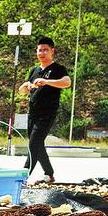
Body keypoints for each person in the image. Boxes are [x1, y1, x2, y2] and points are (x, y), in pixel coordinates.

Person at [18, 37, 71, 183]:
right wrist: (25, 86)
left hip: (47, 113)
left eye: (45, 50)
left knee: (34, 143)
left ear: (52, 51)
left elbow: (67, 82)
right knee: (37, 144)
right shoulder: (34, 71)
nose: (42, 53)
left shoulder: (58, 68)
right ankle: (49, 173)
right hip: (32, 112)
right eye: (40, 50)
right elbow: (22, 91)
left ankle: (22, 176)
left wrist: (47, 82)